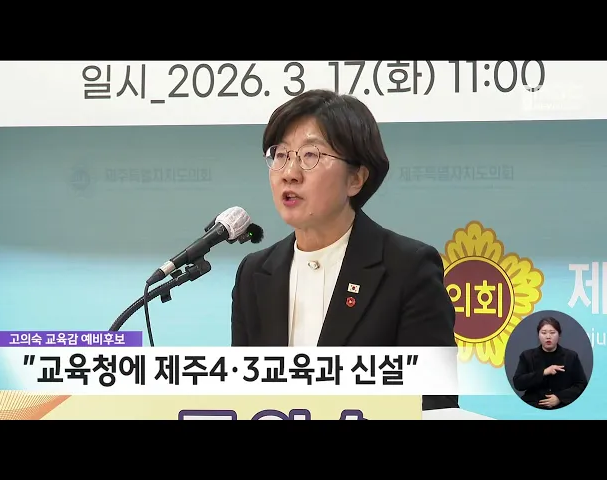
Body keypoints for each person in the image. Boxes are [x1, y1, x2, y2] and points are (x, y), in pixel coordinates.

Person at [230, 89, 458, 411]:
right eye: (280, 154)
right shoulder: (254, 273)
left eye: (310, 155)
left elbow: (434, 404)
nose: (289, 173)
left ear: (356, 179)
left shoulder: (408, 268)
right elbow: (242, 398)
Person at [513, 317, 588, 409]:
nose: (548, 336)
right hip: (532, 406)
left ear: (559, 335)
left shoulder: (571, 356)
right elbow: (518, 383)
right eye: (543, 333)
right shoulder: (527, 356)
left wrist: (560, 397)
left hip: (562, 407)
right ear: (538, 335)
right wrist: (544, 372)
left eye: (552, 333)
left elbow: (581, 384)